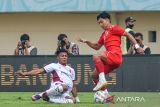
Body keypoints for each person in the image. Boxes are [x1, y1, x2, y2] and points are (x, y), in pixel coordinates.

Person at [78, 11, 144, 94]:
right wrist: (87, 42)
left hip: (115, 56)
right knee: (94, 76)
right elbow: (96, 47)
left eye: (102, 22)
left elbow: (128, 35)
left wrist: (137, 47)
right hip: (110, 59)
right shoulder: (104, 34)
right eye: (99, 23)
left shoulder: (115, 28)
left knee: (96, 56)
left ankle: (102, 80)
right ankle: (106, 95)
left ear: (108, 20)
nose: (100, 24)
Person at [16, 49, 80, 103]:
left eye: (66, 56)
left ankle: (49, 99)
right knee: (64, 87)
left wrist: (76, 97)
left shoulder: (71, 70)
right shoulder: (53, 65)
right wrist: (25, 74)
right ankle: (39, 95)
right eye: (62, 56)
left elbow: (73, 85)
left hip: (65, 92)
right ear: (58, 57)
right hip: (57, 86)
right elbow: (39, 71)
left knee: (73, 101)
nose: (64, 57)